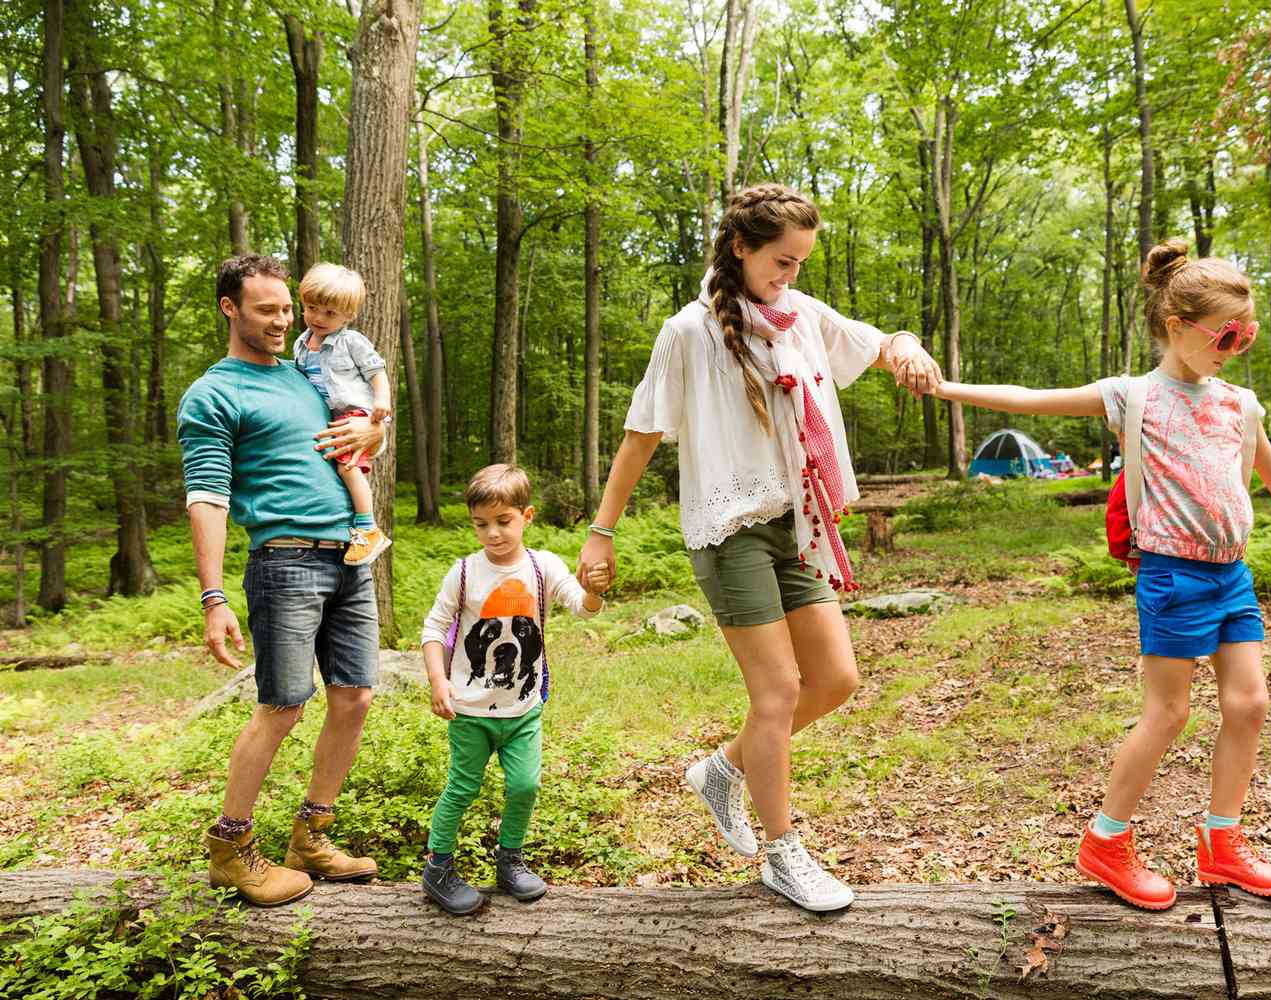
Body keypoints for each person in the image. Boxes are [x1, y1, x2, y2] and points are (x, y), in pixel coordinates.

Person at [932, 239, 1271, 910]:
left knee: (1250, 704)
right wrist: (944, 385)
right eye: (1224, 336)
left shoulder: (1240, 404)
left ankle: (1222, 846)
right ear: (1177, 327)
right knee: (1169, 712)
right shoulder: (1134, 397)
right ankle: (1106, 840)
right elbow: (1028, 399)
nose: (1233, 349)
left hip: (1230, 575)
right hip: (1172, 574)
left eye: (1245, 339)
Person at [577, 183, 942, 912]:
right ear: (739, 248)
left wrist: (909, 350)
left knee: (835, 679)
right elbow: (642, 433)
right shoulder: (690, 332)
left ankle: (723, 769)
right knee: (776, 692)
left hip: (798, 523)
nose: (790, 276)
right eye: (780, 261)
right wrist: (602, 529)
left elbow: (879, 342)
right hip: (730, 528)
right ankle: (783, 854)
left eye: (801, 264)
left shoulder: (801, 318)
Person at [177, 254, 389, 906]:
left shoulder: (306, 374)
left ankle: (312, 837)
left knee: (354, 698)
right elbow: (207, 498)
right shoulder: (214, 394)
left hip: (352, 559)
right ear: (230, 309)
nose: (281, 321)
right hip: (285, 563)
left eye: (286, 310)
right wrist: (213, 598)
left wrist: (373, 432)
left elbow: (357, 432)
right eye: (266, 310)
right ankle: (231, 849)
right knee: (284, 704)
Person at [419, 464, 612, 914]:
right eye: (481, 524)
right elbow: (434, 627)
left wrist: (595, 590)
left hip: (522, 708)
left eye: (502, 521)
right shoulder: (464, 572)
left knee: (525, 786)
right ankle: (438, 867)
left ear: (527, 516)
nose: (492, 533)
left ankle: (510, 861)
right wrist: (437, 680)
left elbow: (583, 608)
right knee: (462, 788)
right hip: (470, 710)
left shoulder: (543, 566)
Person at [292, 263, 393, 566]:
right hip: (328, 418)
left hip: (356, 413)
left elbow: (377, 372)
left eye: (330, 313)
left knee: (348, 467)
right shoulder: (301, 344)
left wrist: (382, 402)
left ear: (348, 315)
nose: (319, 318)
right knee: (336, 465)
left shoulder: (352, 342)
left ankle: (367, 528)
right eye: (312, 308)